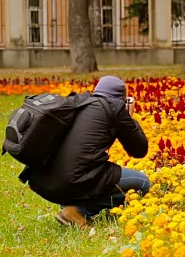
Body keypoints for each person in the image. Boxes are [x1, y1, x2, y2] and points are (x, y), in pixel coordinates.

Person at [27, 76, 150, 228]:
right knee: (143, 184)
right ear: (121, 98)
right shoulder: (115, 108)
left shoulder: (79, 102)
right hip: (72, 181)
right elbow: (139, 150)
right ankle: (77, 210)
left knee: (78, 170)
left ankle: (70, 207)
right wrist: (130, 120)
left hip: (44, 181)